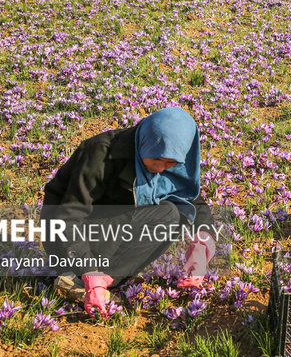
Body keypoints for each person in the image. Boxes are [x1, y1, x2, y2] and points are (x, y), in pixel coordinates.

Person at [40, 107, 218, 316]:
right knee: (167, 214)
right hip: (68, 235)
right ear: (146, 142)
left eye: (171, 162)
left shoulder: (171, 163)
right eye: (157, 159)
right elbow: (68, 217)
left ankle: (104, 279)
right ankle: (80, 278)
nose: (161, 168)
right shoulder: (101, 152)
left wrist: (202, 245)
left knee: (175, 214)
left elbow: (194, 202)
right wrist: (88, 268)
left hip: (111, 227)